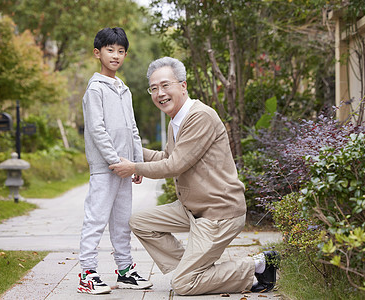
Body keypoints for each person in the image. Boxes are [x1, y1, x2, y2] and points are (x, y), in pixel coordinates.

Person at [109, 57, 279, 295]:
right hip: (191, 209)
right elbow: (165, 158)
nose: (160, 93)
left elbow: (175, 165)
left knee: (182, 285)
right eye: (154, 88)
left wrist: (134, 168)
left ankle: (256, 266)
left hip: (218, 213)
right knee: (140, 222)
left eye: (165, 85)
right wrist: (132, 151)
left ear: (183, 85)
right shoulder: (175, 122)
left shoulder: (200, 117)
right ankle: (196, 272)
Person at [78, 27, 152, 295]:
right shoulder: (95, 89)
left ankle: (124, 271)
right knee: (95, 219)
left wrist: (137, 162)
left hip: (125, 168)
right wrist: (115, 161)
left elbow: (132, 128)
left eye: (121, 51)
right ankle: (87, 272)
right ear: (98, 53)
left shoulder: (124, 89)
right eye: (110, 50)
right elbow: (97, 129)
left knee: (122, 222)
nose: (116, 55)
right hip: (105, 168)